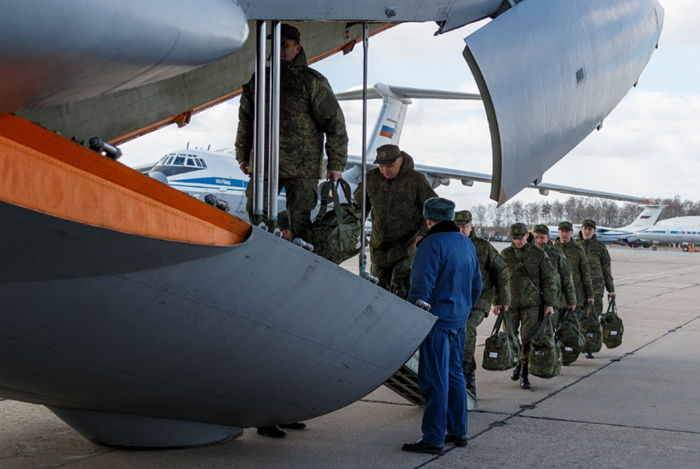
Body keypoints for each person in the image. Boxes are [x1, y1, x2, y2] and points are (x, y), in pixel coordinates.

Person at [235, 23, 348, 239]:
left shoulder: (312, 82)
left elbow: (335, 124)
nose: (279, 50)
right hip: (265, 165)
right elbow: (246, 121)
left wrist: (336, 164)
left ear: (297, 48)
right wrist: (242, 153)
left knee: (299, 223)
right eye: (275, 45)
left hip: (302, 168)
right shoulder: (259, 80)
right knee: (257, 216)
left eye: (284, 45)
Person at [402, 197, 482, 455]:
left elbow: (421, 286)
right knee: (454, 375)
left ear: (428, 219)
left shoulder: (431, 243)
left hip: (436, 320)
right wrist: (464, 309)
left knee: (434, 378)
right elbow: (477, 285)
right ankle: (459, 431)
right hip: (459, 319)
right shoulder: (466, 243)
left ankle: (433, 437)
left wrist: (412, 312)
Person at [354, 144, 437, 298]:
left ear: (400, 161)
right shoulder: (371, 180)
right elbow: (358, 208)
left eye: (390, 166)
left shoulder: (416, 180)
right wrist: (354, 229)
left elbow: (433, 207)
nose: (385, 170)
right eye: (381, 166)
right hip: (379, 248)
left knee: (401, 290)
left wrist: (423, 233)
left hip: (407, 247)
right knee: (376, 291)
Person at [256, 211, 307, 439]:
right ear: (286, 231)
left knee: (289, 374)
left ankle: (284, 416)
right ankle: (266, 422)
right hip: (273, 325)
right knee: (270, 376)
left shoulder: (288, 249)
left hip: (289, 322)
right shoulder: (274, 251)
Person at [454, 210, 510, 398]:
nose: (461, 230)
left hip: (480, 299)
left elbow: (501, 270)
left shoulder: (483, 248)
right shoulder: (449, 245)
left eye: (465, 226)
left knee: (468, 329)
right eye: (458, 227)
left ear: (472, 227)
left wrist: (502, 299)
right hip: (455, 300)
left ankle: (469, 378)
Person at [500, 223, 557, 390]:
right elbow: (499, 279)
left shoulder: (538, 254)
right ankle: (518, 362)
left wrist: (549, 303)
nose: (517, 241)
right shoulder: (506, 254)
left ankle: (524, 371)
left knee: (527, 339)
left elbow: (549, 279)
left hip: (532, 305)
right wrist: (497, 301)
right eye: (514, 238)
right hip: (510, 304)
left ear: (527, 236)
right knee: (510, 336)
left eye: (520, 238)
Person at [576, 219, 616, 358]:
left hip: (596, 288)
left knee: (593, 318)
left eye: (590, 229)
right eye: (585, 228)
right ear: (581, 230)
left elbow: (606, 269)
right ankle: (574, 346)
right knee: (576, 318)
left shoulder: (600, 247)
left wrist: (611, 289)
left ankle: (590, 347)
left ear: (594, 231)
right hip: (578, 289)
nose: (587, 231)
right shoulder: (575, 246)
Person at [532, 224, 576, 327]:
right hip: (532, 303)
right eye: (536, 237)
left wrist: (571, 300)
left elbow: (567, 278)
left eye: (542, 237)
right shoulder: (529, 254)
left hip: (553, 301)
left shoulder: (556, 254)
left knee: (549, 333)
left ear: (548, 238)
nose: (539, 240)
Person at [555, 221, 594, 324]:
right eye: (562, 231)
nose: (564, 234)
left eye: (567, 231)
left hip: (575, 297)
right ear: (558, 232)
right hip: (555, 298)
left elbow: (586, 274)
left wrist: (590, 295)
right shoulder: (552, 250)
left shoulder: (578, 251)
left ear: (572, 233)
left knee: (572, 331)